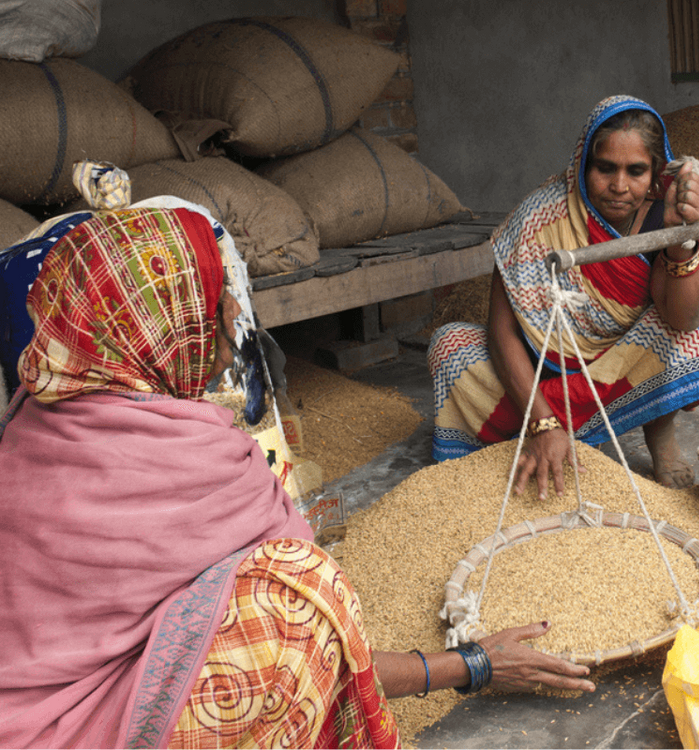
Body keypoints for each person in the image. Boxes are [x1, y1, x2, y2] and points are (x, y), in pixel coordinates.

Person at [0, 196, 593, 748]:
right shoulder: (183, 456)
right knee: (298, 596)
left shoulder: (28, 422)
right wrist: (472, 664)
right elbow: (324, 631)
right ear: (157, 329)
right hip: (77, 731)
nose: (235, 313)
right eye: (211, 301)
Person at [428, 95, 699, 499]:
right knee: (450, 346)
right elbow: (502, 332)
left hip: (616, 367)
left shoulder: (663, 215)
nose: (619, 186)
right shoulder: (539, 218)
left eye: (636, 171)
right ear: (582, 164)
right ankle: (544, 427)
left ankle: (659, 429)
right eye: (605, 168)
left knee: (697, 333)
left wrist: (680, 236)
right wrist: (542, 423)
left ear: (657, 175)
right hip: (543, 367)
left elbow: (685, 318)